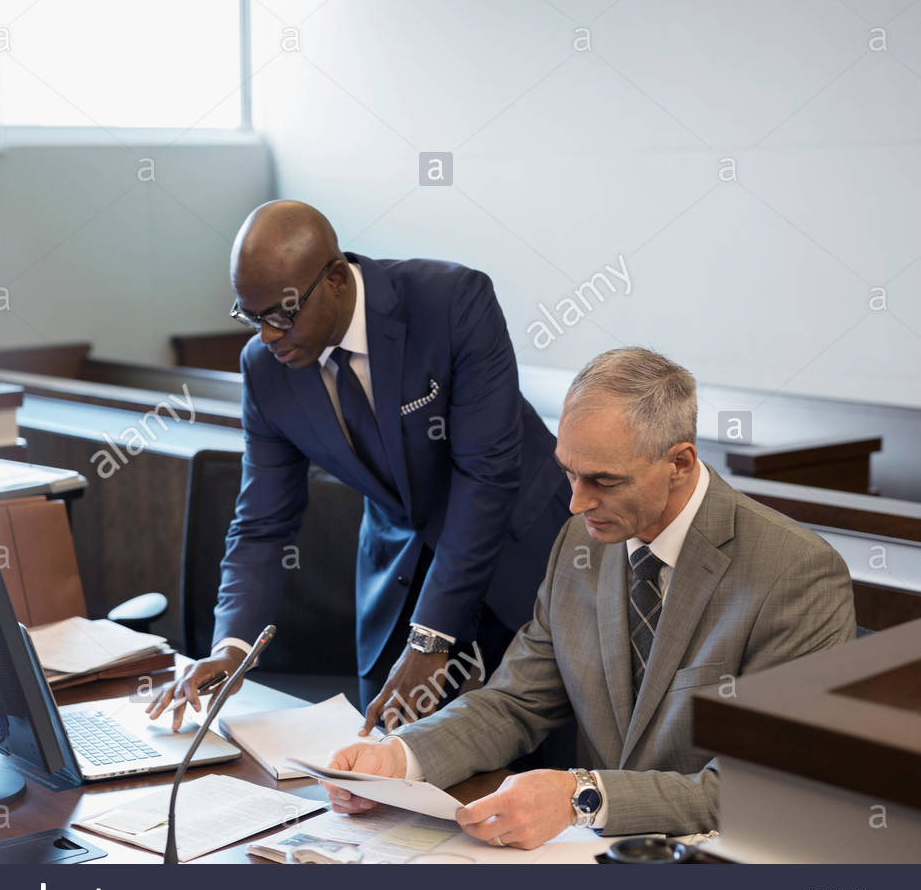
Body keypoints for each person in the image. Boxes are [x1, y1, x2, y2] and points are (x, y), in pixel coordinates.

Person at [323, 347, 856, 843]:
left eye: (602, 480)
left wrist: (583, 797)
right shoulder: (581, 543)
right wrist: (399, 757)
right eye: (568, 473)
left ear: (680, 464)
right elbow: (515, 702)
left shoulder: (796, 573)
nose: (576, 503)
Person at [146, 200, 570, 732]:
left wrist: (431, 637)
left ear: (339, 281)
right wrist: (232, 649)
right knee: (383, 775)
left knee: (537, 759)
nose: (268, 336)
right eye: (251, 317)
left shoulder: (452, 302)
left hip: (522, 559)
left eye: (281, 313)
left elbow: (487, 475)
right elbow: (262, 522)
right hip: (399, 575)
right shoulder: (266, 371)